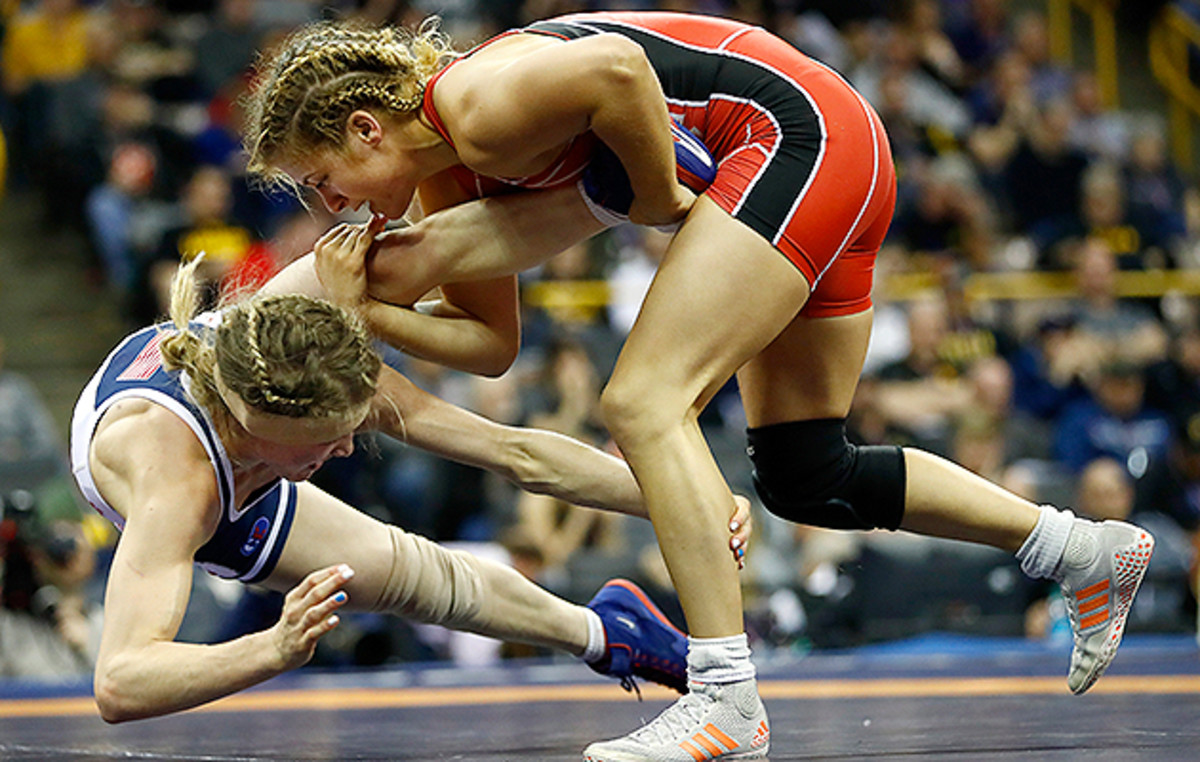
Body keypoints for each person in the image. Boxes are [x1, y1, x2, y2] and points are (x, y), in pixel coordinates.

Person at [242, 13, 1155, 760]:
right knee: (808, 469)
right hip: (827, 149)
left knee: (640, 400)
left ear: (365, 129)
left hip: (794, 136)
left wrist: (661, 198)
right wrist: (365, 313)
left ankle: (725, 697)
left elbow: (623, 70)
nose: (339, 210)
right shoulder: (450, 172)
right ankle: (1080, 548)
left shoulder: (475, 101)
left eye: (325, 183)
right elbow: (489, 348)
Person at [70, 252, 753, 724]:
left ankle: (609, 634)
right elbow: (121, 682)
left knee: (422, 578)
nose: (344, 448)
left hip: (247, 450)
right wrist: (271, 650)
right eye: (329, 438)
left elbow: (511, 450)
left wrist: (691, 497)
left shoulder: (311, 350)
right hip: (199, 472)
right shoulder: (175, 488)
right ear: (266, 428)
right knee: (402, 578)